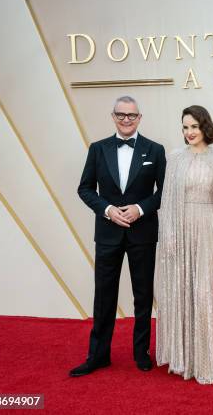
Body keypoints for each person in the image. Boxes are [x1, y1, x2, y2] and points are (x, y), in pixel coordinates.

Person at [71, 96, 166, 376]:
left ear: (140, 117)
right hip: (108, 233)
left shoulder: (155, 150)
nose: (126, 120)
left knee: (143, 296)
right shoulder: (98, 149)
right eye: (121, 115)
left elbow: (163, 192)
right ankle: (98, 356)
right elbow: (85, 188)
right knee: (103, 297)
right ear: (113, 116)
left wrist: (139, 208)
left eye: (132, 115)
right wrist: (108, 210)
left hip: (143, 234)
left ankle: (141, 354)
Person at [155, 105, 213, 384]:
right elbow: (168, 200)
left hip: (210, 228)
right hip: (181, 229)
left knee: (206, 290)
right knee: (184, 288)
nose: (189, 133)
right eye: (185, 127)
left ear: (205, 127)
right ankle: (184, 357)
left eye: (194, 127)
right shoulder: (175, 158)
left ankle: (210, 359)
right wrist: (170, 235)